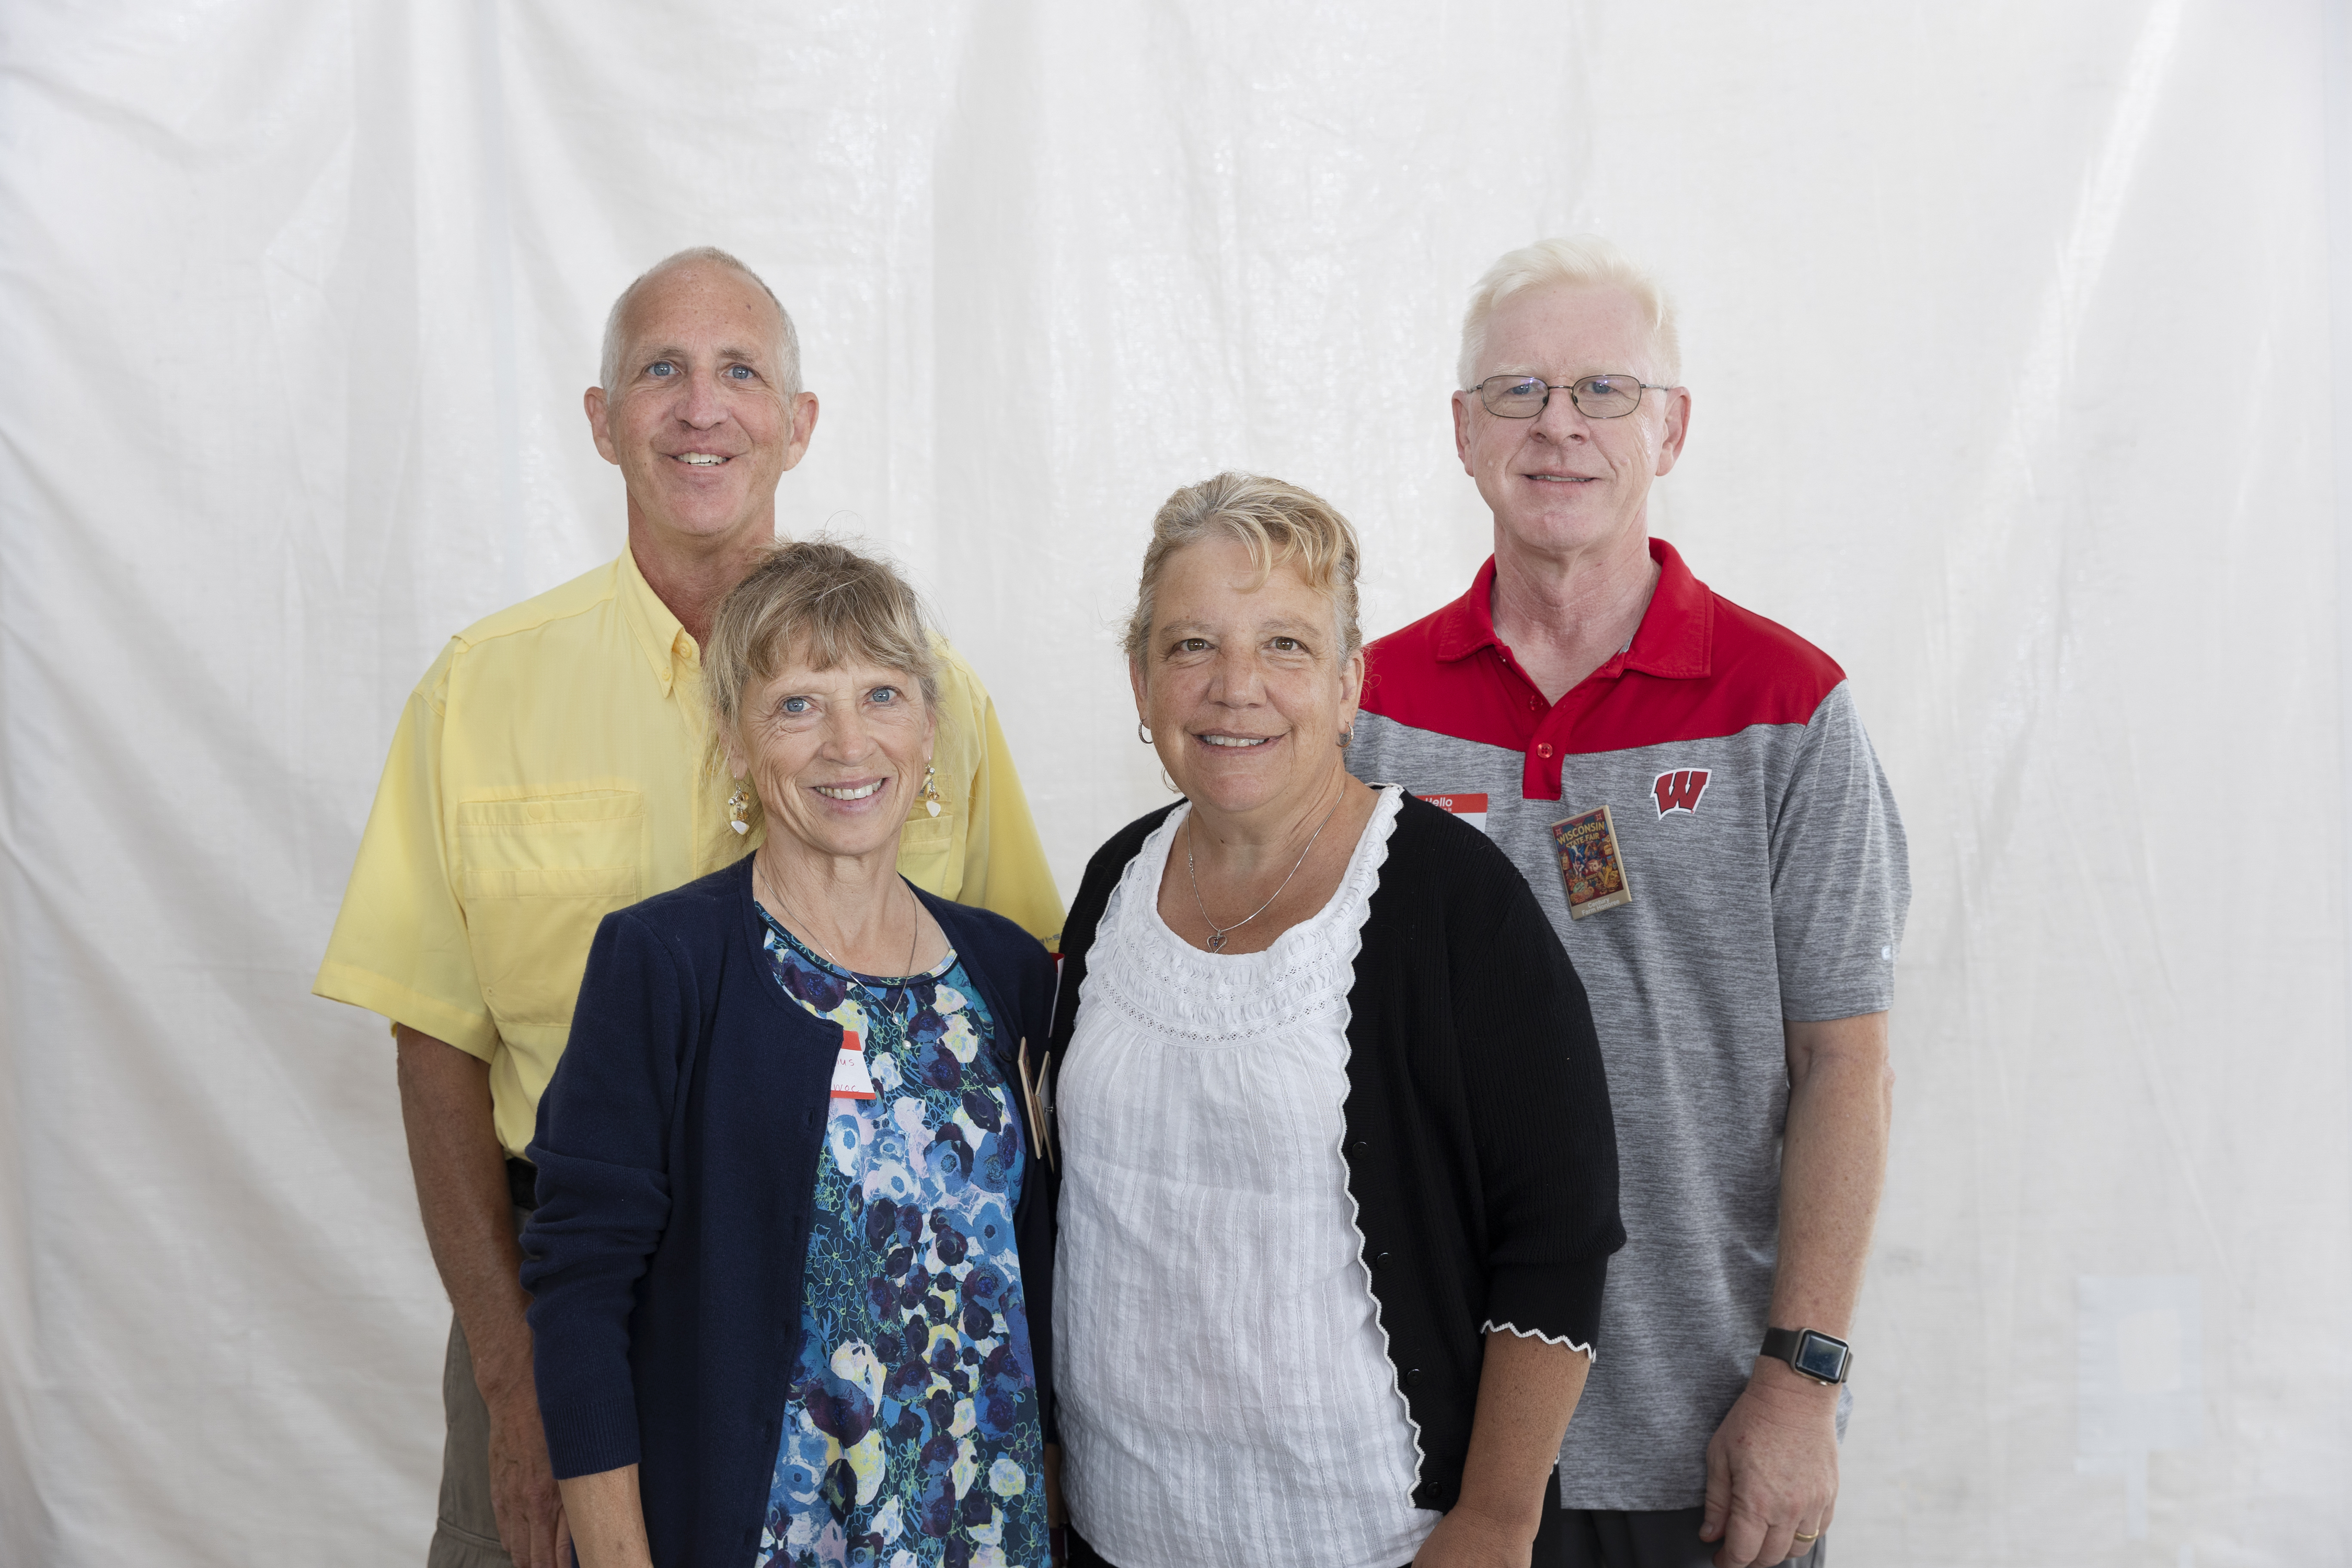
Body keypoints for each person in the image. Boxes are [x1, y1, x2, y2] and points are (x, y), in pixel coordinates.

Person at [312, 247, 1062, 1568]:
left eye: (740, 373)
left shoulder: (923, 695)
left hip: (881, 1314)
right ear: (603, 422)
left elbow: (1015, 1040)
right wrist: (514, 1380)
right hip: (560, 1279)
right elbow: (435, 1044)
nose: (700, 408)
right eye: (659, 371)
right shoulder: (478, 692)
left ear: (798, 422)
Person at [1346, 236, 1911, 1568]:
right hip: (1421, 1438)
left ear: (1672, 426)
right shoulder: (1367, 708)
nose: (1558, 427)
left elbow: (1849, 1064)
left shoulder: (1789, 709)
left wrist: (1803, 1382)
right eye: (1517, 392)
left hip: (1705, 1440)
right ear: (1462, 431)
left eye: (1604, 389)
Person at [1044, 473, 1624, 1568]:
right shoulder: (1114, 879)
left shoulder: (1454, 904)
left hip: (1373, 1538)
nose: (1234, 689)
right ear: (1141, 678)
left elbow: (1561, 1232)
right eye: (1192, 646)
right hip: (1120, 1534)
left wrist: (1496, 1522)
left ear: (1352, 682)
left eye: (1284, 647)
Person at [519, 540, 1058, 1567]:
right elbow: (581, 1291)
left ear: (931, 728)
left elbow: (1037, 1278)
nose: (849, 744)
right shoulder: (666, 963)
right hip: (760, 1536)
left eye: (883, 695)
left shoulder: (1007, 973)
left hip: (989, 1531)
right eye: (799, 704)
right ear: (732, 739)